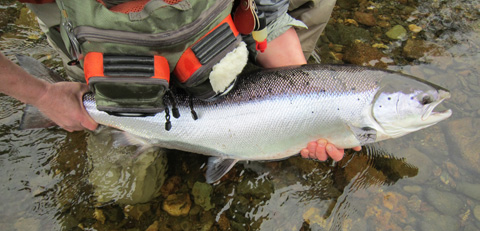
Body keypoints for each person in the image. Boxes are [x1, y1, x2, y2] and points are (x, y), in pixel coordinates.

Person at [0, 0, 360, 162]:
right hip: (116, 74)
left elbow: (267, 15)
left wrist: (306, 96)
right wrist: (43, 94)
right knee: (127, 196)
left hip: (218, 46)